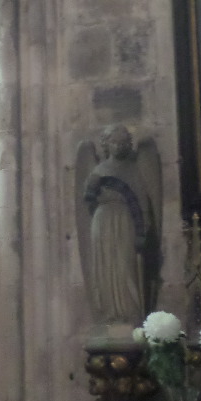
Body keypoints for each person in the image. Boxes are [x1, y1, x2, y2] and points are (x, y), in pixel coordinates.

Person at [82, 125, 157, 325]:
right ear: (106, 144)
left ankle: (131, 314)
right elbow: (88, 200)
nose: (119, 146)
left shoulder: (133, 168)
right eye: (115, 142)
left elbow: (142, 199)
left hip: (126, 220)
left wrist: (144, 228)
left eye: (123, 142)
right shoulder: (98, 170)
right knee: (106, 266)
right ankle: (110, 315)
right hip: (103, 220)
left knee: (126, 264)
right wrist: (92, 189)